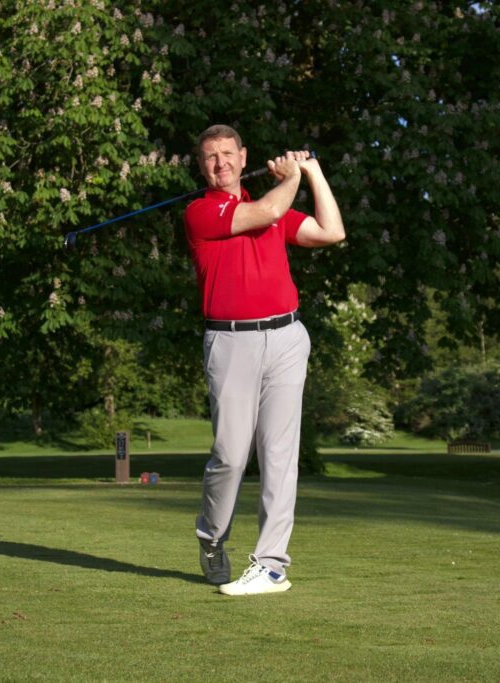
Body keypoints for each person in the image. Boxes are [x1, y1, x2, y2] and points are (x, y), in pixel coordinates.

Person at [183, 124, 345, 595]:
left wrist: (311, 172)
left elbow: (332, 231)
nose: (221, 163)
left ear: (243, 155)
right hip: (231, 343)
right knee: (231, 456)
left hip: (287, 337)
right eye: (211, 156)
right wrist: (290, 177)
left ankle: (271, 565)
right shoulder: (202, 213)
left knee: (279, 455)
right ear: (202, 165)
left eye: (228, 153)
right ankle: (212, 539)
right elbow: (269, 208)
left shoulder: (271, 208)